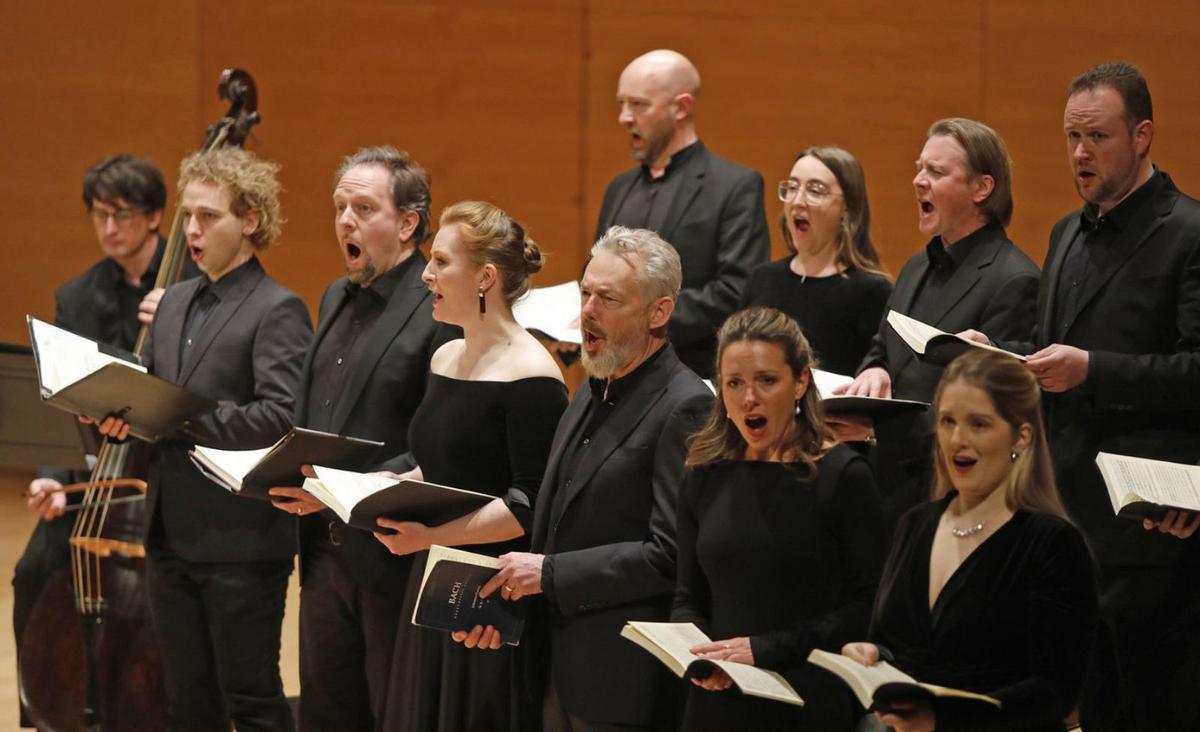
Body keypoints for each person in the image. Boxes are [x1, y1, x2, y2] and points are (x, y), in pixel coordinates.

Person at [963, 62, 1200, 731]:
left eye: (1097, 136)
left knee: (1155, 707)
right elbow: (1052, 355)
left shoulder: (1189, 232)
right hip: (1069, 515)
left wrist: (1093, 368)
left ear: (1143, 135)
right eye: (1071, 136)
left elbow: (1195, 370)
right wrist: (1004, 355)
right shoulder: (1066, 232)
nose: (1079, 153)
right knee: (1085, 706)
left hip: (1153, 519)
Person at [460, 226, 713, 731]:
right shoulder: (588, 391)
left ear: (658, 313)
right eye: (585, 293)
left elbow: (669, 555)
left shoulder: (685, 406)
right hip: (552, 663)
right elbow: (553, 522)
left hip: (620, 683)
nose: (587, 311)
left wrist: (549, 574)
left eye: (608, 298)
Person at [96, 147, 312, 730]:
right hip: (169, 535)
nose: (191, 229)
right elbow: (156, 398)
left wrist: (175, 415)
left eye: (209, 216)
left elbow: (279, 416)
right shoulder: (173, 304)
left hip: (241, 540)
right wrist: (122, 412)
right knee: (187, 701)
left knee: (251, 698)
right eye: (188, 215)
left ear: (249, 220)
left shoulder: (278, 308)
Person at [265, 146, 454, 731]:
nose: (345, 219)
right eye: (340, 206)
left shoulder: (438, 309)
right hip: (322, 552)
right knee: (324, 712)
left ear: (407, 223)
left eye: (363, 207)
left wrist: (345, 489)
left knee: (390, 715)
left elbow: (442, 445)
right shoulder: (332, 296)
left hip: (390, 554)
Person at [14, 154, 202, 727]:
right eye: (99, 215)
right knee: (31, 574)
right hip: (92, 485)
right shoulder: (77, 297)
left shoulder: (194, 289)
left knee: (154, 599)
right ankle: (45, 709)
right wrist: (51, 475)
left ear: (154, 217)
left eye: (121, 214)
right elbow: (60, 403)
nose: (109, 227)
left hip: (165, 482)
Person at [373, 201, 568, 731]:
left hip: (487, 592)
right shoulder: (445, 356)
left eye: (440, 262)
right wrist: (387, 484)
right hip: (433, 571)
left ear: (485, 277)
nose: (426, 274)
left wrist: (430, 536)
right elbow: (442, 465)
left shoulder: (534, 375)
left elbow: (530, 508)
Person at [842, 350, 1098, 732]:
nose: (957, 439)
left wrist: (942, 719)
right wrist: (873, 654)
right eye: (947, 422)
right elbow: (893, 641)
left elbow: (1055, 689)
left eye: (978, 424)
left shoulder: (1052, 543)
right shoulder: (915, 524)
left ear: (1021, 436)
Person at [669, 306, 884, 730]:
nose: (749, 398)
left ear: (801, 381)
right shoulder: (704, 473)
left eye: (767, 381)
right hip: (718, 701)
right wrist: (700, 656)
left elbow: (868, 605)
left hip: (808, 701)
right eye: (734, 383)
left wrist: (766, 649)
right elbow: (686, 596)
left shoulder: (843, 476)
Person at [833, 118, 1039, 532]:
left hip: (954, 501)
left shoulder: (1015, 279)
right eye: (919, 167)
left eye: (936, 172)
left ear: (982, 188)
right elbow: (881, 349)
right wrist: (874, 370)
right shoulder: (915, 267)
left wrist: (878, 429)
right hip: (889, 491)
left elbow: (997, 416)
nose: (918, 181)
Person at [596, 49, 769, 378]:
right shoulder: (619, 188)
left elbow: (737, 290)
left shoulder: (735, 187)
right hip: (614, 381)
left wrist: (635, 319)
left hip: (693, 378)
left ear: (681, 107)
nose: (624, 117)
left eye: (638, 104)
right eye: (622, 103)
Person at [739, 147, 892, 376]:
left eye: (815, 191)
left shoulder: (872, 292)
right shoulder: (762, 279)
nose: (798, 201)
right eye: (792, 187)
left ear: (847, 208)